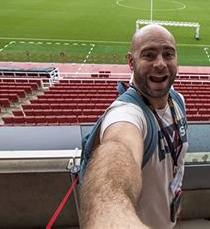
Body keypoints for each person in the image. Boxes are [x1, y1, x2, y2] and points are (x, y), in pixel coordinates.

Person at [81, 24, 188, 228]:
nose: (160, 64)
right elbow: (117, 158)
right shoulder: (126, 114)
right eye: (149, 55)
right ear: (131, 61)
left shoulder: (179, 100)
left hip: (169, 215)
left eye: (168, 54)